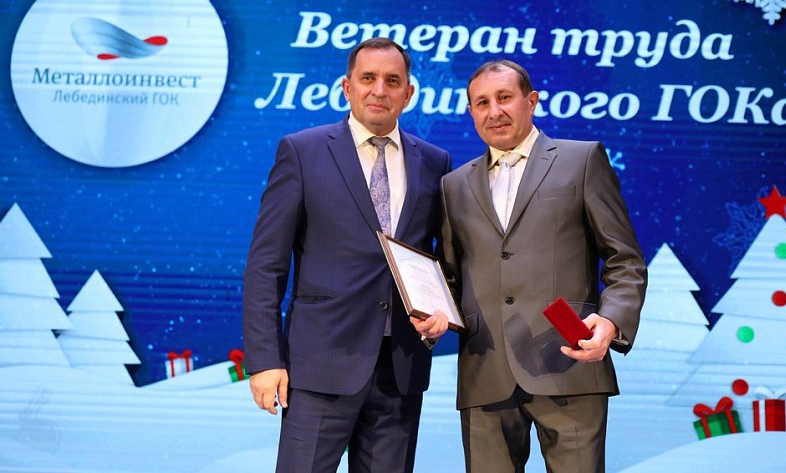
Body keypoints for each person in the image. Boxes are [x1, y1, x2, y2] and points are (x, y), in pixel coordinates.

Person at [243, 37, 451, 473]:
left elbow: (443, 262)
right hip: (318, 368)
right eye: (368, 78)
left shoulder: (435, 162)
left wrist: (442, 313)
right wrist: (265, 360)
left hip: (400, 373)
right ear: (347, 87)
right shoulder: (302, 151)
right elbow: (266, 266)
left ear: (408, 93)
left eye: (392, 80)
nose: (379, 90)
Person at [440, 60, 647, 472]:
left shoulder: (581, 160)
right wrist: (432, 311)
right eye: (482, 103)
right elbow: (450, 275)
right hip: (486, 373)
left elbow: (625, 260)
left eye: (504, 98)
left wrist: (611, 322)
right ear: (471, 112)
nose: (494, 111)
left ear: (531, 101)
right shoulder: (454, 185)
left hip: (570, 363)